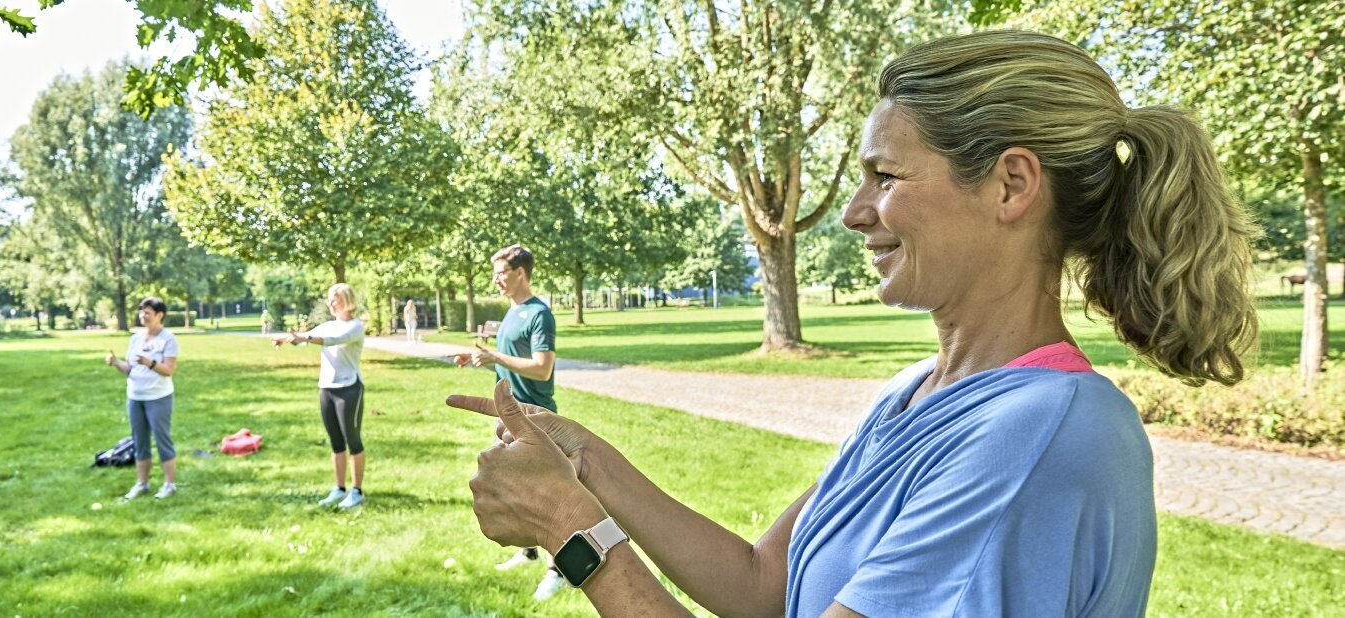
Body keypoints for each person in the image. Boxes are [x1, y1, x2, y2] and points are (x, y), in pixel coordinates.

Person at [447, 30, 1259, 617]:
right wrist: (585, 460)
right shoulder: (921, 394)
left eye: (886, 175)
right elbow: (766, 582)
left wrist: (576, 534)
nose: (854, 212)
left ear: (1011, 186)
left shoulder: (1042, 436)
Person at [451, 244, 564, 600]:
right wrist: (477, 358)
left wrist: (495, 355)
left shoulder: (538, 314)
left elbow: (542, 367)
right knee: (516, 488)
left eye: (501, 272)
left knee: (546, 493)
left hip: (535, 416)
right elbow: (509, 360)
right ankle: (529, 550)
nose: (496, 279)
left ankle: (557, 570)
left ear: (521, 273)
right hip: (508, 413)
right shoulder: (512, 312)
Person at [276, 283, 368, 509]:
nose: (330, 303)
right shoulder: (327, 325)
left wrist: (305, 337)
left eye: (334, 299)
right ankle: (339, 489)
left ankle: (357, 491)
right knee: (336, 442)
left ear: (346, 300)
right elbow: (307, 337)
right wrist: (289, 339)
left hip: (349, 389)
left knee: (352, 441)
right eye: (329, 299)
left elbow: (331, 340)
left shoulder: (355, 327)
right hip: (326, 389)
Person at [105, 297, 180, 500]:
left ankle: (169, 485)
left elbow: (169, 370)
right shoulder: (136, 338)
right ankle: (142, 484)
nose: (143, 316)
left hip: (158, 397)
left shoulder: (168, 339)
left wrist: (150, 363)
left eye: (147, 312)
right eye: (141, 312)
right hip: (135, 397)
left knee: (162, 439)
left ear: (159, 315)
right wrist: (115, 362)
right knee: (140, 442)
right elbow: (129, 369)